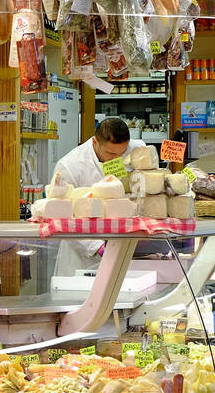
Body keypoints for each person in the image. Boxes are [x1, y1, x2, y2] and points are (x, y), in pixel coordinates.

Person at [52, 117, 145, 277]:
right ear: (95, 142)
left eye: (122, 153)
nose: (117, 158)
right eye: (110, 153)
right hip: (84, 256)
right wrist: (97, 247)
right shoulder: (70, 165)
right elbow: (61, 217)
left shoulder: (137, 150)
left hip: (126, 244)